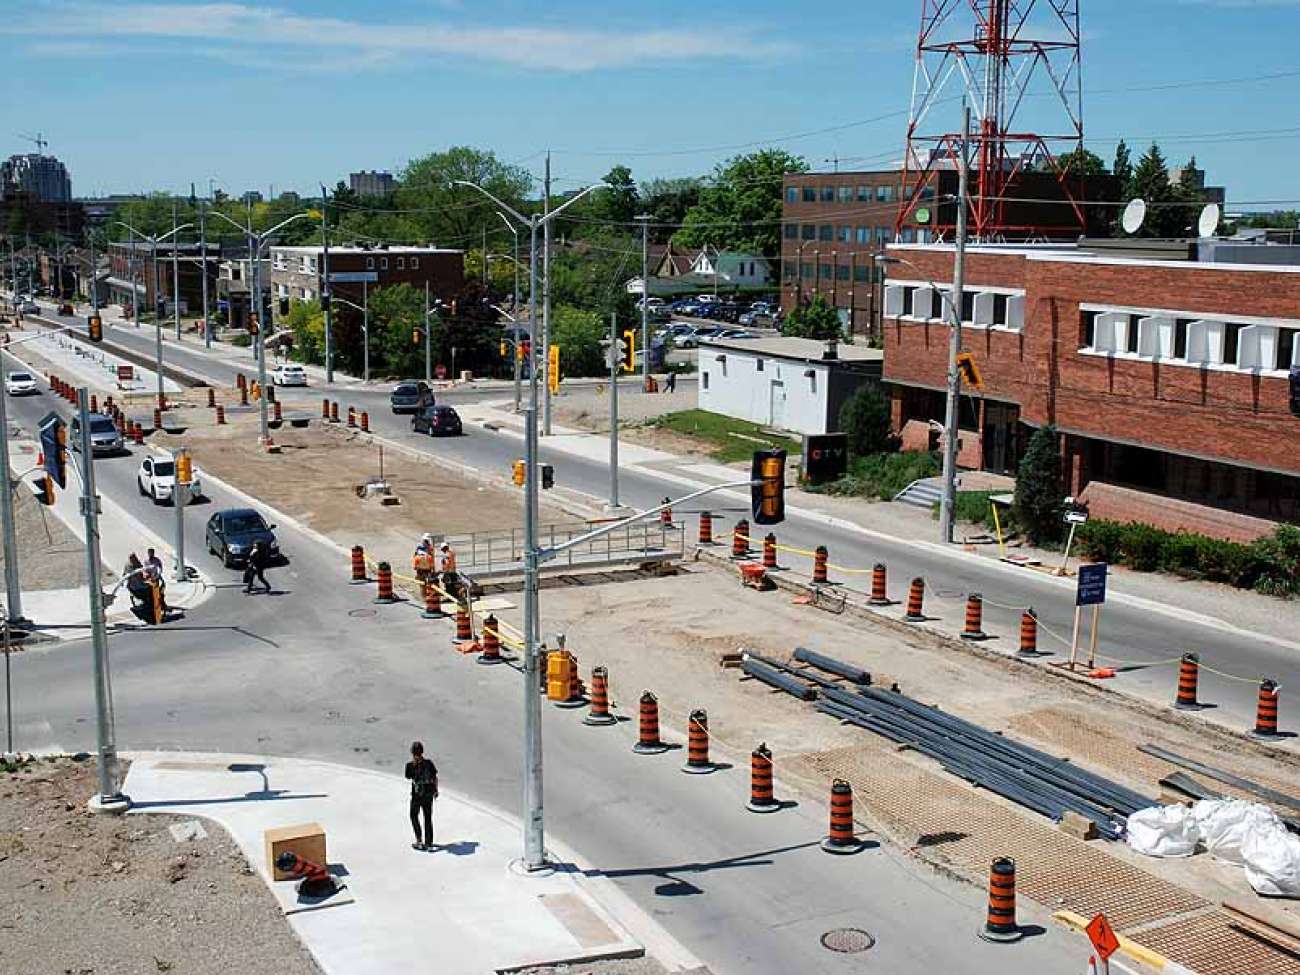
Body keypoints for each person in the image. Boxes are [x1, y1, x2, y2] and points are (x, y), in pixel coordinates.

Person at [404, 741, 439, 851]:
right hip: (428, 794)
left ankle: (419, 840)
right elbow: (435, 778)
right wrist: (436, 791)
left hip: (417, 795)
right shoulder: (429, 763)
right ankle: (428, 843)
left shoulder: (410, 765)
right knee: (427, 818)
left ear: (412, 752)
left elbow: (408, 777)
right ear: (422, 751)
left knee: (413, 815)